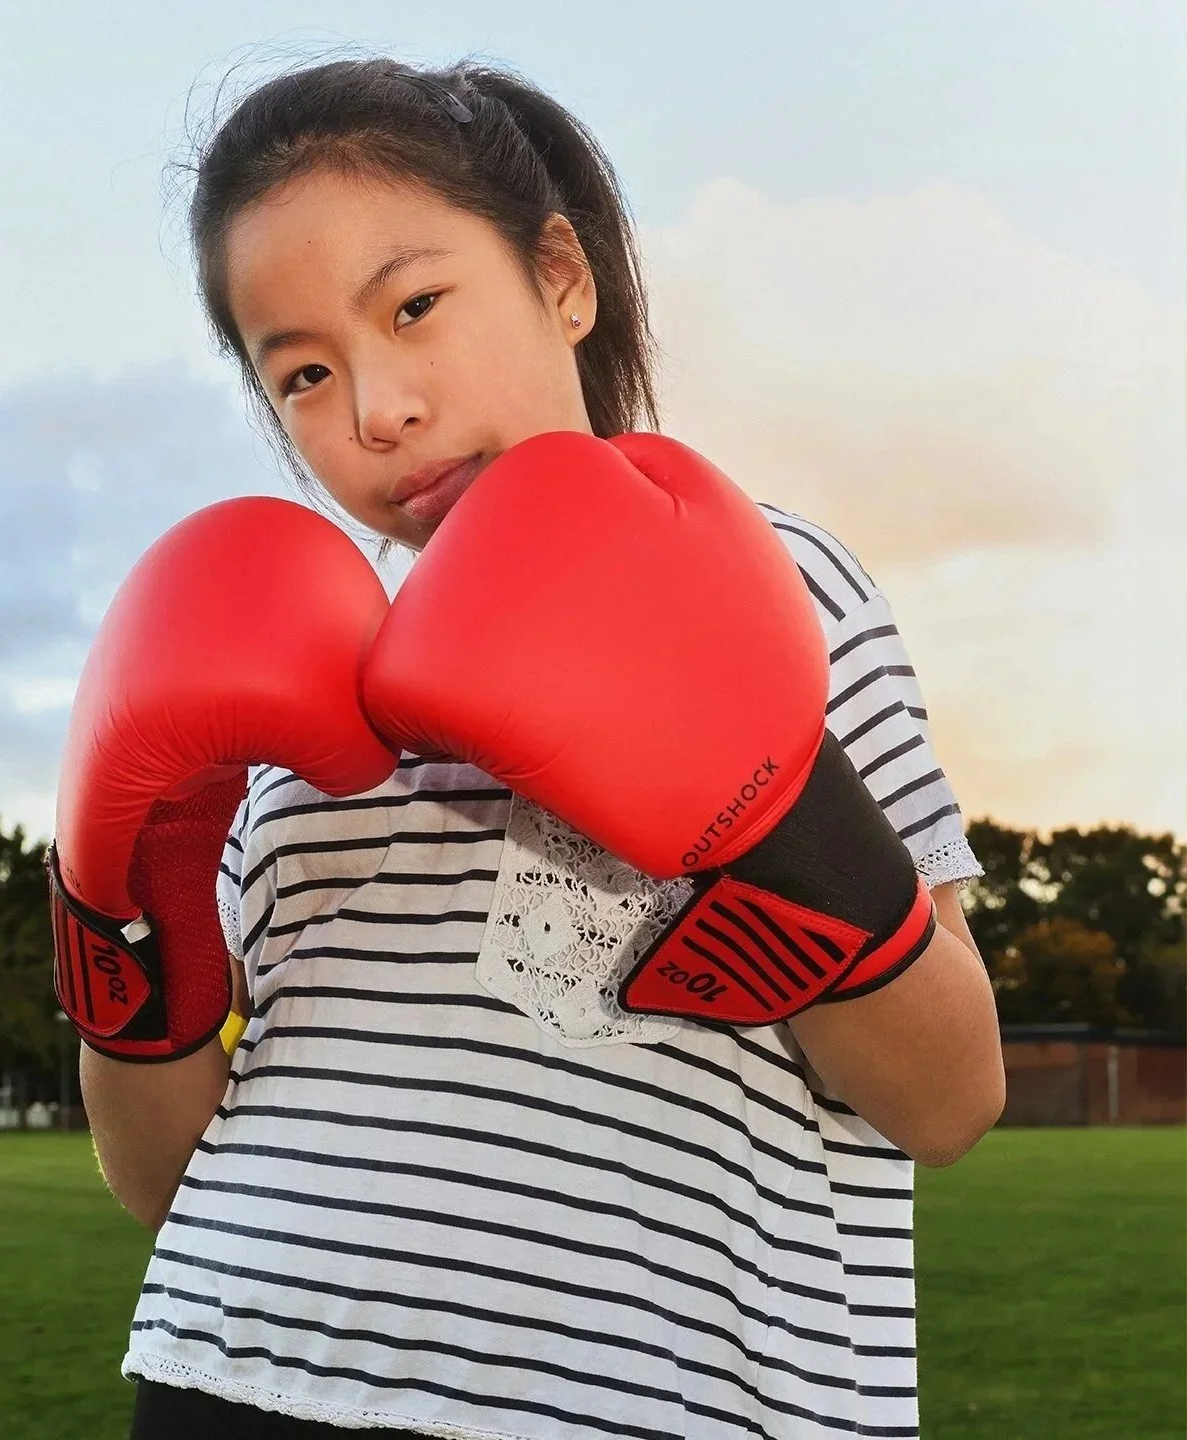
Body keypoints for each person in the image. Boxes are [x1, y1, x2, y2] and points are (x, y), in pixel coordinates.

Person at [68, 56, 1005, 1440]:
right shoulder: (295, 704)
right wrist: (119, 900)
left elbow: (950, 1096)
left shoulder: (780, 586)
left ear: (562, 277)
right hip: (232, 1379)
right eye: (307, 374)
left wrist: (764, 807)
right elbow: (164, 1180)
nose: (379, 407)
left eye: (416, 307)